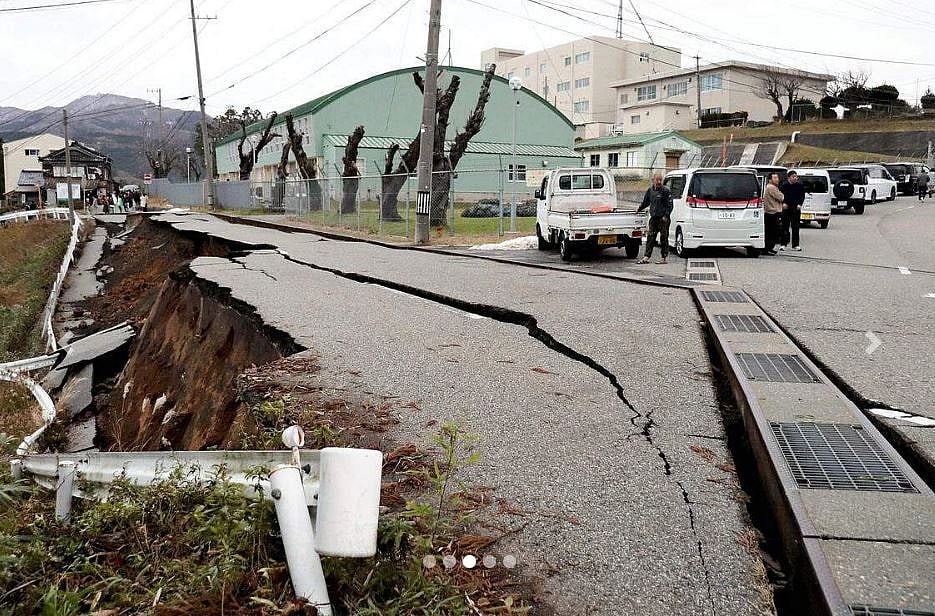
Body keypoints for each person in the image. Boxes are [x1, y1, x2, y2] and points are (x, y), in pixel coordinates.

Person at [636, 173, 673, 264]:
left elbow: (670, 205)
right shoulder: (650, 190)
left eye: (660, 180)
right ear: (653, 180)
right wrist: (639, 208)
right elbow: (646, 202)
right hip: (654, 218)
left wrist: (666, 216)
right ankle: (646, 256)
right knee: (650, 237)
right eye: (657, 180)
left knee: (663, 238)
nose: (659, 182)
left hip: (663, 219)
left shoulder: (665, 191)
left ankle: (664, 257)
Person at [779, 170, 805, 251]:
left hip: (796, 208)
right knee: (785, 226)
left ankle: (795, 245)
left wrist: (800, 204)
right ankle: (783, 244)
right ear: (789, 178)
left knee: (796, 227)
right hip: (786, 208)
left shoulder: (799, 185)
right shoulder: (784, 185)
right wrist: (783, 203)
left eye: (796, 177)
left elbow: (802, 196)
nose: (795, 178)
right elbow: (780, 195)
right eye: (793, 177)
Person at [762, 172, 784, 255]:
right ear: (770, 180)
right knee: (771, 232)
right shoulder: (771, 187)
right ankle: (767, 248)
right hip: (772, 212)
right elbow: (781, 197)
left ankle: (769, 248)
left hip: (771, 212)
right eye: (774, 178)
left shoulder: (772, 187)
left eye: (777, 178)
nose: (777, 179)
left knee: (771, 232)